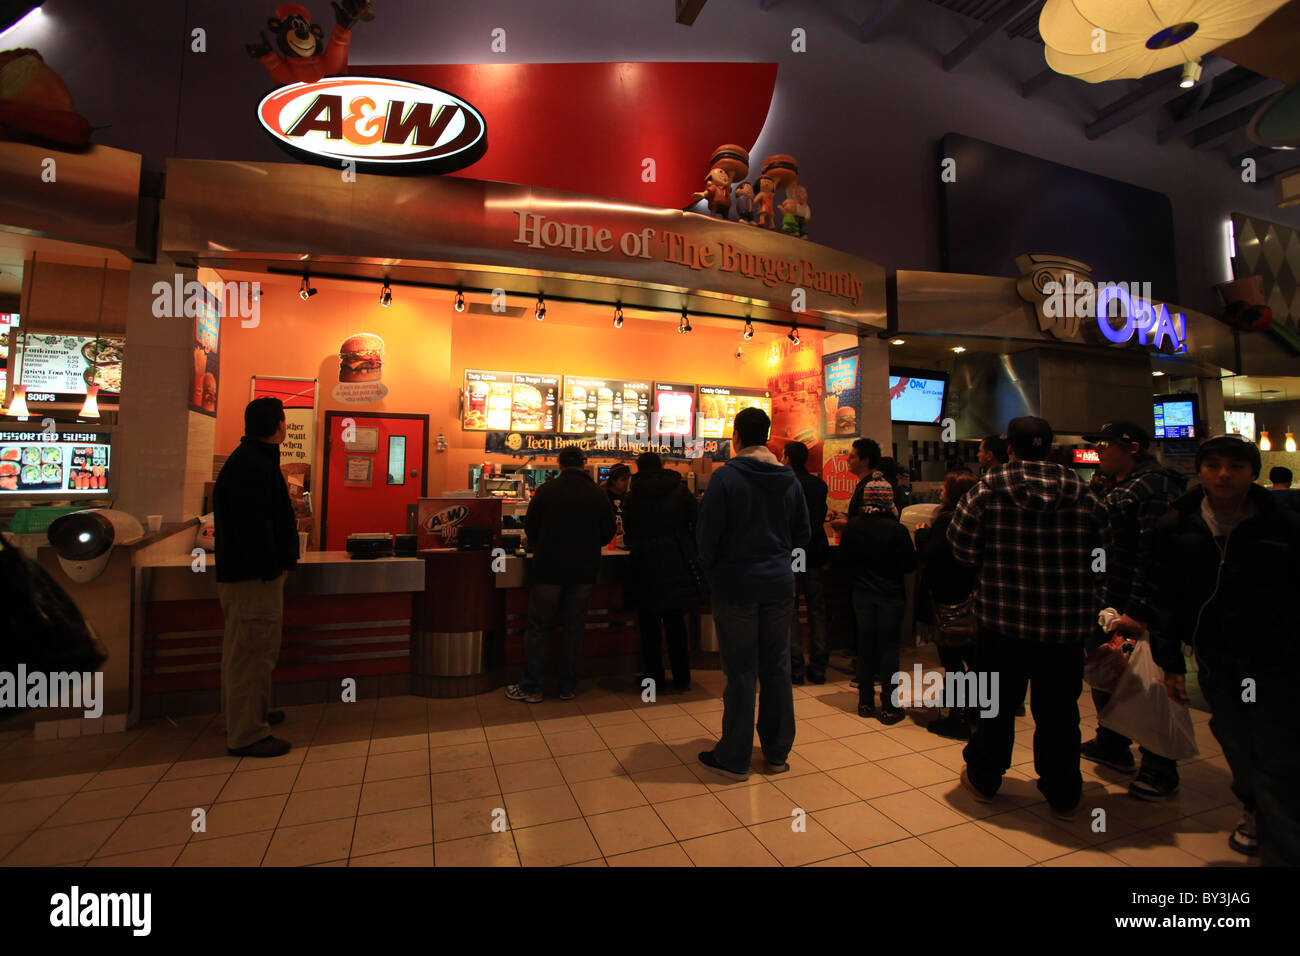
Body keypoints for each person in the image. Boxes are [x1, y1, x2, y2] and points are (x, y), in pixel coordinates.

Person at [1150, 435, 1300, 865]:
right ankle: (1254, 807)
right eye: (1213, 465)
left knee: (1274, 746)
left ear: (1252, 472)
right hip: (1215, 658)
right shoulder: (1177, 522)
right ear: (1200, 469)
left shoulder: (1283, 523)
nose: (1223, 475)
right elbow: (1164, 594)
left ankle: (1279, 841)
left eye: (1234, 466)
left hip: (1275, 658)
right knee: (1234, 736)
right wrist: (1170, 661)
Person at [947, 416, 1107, 817]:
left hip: (1002, 623)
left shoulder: (986, 491)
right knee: (1058, 712)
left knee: (995, 706)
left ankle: (985, 778)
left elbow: (961, 549)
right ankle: (1062, 790)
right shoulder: (1084, 494)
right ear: (1050, 448)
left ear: (1011, 449)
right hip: (1066, 627)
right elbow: (1102, 556)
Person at [696, 407, 810, 780]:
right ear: (768, 436)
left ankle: (735, 757)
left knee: (741, 671)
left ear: (737, 436)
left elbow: (707, 538)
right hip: (779, 584)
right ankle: (776, 754)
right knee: (777, 667)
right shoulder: (789, 478)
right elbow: (803, 534)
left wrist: (716, 571)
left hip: (736, 585)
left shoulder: (725, 477)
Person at [1078, 421, 1187, 798]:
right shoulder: (1117, 484)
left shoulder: (1154, 486)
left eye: (1105, 445)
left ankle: (1159, 765)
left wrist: (1140, 611)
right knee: (1106, 671)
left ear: (1133, 448)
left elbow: (1152, 553)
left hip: (1133, 601)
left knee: (1144, 684)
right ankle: (1111, 741)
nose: (1100, 452)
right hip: (1108, 596)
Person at [213, 397, 300, 758]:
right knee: (251, 653)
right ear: (278, 426)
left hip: (249, 575)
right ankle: (247, 734)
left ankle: (247, 716)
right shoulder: (253, 466)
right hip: (253, 578)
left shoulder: (249, 460)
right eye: (283, 421)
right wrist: (270, 566)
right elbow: (254, 529)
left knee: (250, 651)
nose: (285, 426)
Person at [507, 446, 616, 703]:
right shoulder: (596, 493)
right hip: (584, 571)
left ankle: (533, 687)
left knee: (538, 628)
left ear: (559, 464)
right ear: (584, 464)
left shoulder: (546, 491)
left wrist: (543, 544)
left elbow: (530, 529)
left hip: (549, 569)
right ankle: (567, 686)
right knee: (574, 628)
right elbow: (608, 531)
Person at [622, 453, 704, 693]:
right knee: (676, 622)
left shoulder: (633, 494)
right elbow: (696, 522)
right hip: (676, 560)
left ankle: (653, 678)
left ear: (638, 468)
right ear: (662, 466)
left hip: (644, 563)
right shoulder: (679, 490)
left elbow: (629, 529)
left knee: (649, 626)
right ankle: (682, 678)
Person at [840, 479, 917, 723]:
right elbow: (909, 565)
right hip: (890, 595)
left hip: (861, 594)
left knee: (866, 646)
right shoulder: (897, 529)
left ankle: (864, 702)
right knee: (888, 648)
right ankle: (889, 706)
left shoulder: (852, 527)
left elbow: (844, 562)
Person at [915, 469, 979, 739]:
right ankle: (977, 711)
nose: (940, 491)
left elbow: (934, 557)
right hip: (975, 601)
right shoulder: (979, 519)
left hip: (947, 600)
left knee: (952, 661)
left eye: (944, 488)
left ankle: (957, 716)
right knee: (976, 659)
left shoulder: (946, 522)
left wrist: (921, 537)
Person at [782, 441, 829, 685]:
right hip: (815, 552)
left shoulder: (784, 484)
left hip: (792, 553)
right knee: (816, 608)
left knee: (790, 609)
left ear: (787, 458)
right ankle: (819, 667)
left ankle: (796, 668)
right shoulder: (819, 485)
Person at [831, 438, 896, 529]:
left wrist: (846, 524)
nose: (847, 460)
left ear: (865, 461)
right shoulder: (865, 483)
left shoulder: (873, 487)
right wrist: (847, 517)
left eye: (852, 457)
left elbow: (875, 525)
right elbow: (865, 518)